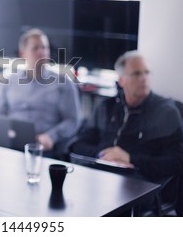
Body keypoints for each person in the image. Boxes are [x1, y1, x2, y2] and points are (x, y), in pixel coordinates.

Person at [70, 50, 183, 215]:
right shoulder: (106, 107)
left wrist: (130, 159)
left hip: (141, 184)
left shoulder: (165, 112)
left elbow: (176, 162)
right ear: (121, 80)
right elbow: (78, 144)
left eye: (146, 72)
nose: (144, 78)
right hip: (100, 175)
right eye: (137, 74)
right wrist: (103, 155)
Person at [0, 28, 81, 159]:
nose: (42, 52)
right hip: (11, 145)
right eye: (35, 48)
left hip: (43, 148)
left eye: (45, 47)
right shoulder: (9, 81)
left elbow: (73, 120)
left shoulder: (64, 83)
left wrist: (52, 136)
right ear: (23, 54)